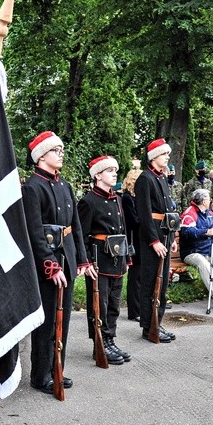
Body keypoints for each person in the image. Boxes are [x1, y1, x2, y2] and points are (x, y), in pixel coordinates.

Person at [22, 131, 93, 394]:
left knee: (63, 319)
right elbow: (34, 232)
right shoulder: (32, 187)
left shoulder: (64, 186)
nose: (60, 154)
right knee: (48, 319)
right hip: (48, 263)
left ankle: (57, 368)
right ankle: (41, 375)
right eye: (56, 151)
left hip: (68, 256)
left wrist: (82, 260)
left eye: (62, 150)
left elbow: (75, 226)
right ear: (41, 155)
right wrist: (50, 265)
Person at [78, 156, 131, 365]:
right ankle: (99, 344)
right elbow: (81, 235)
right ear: (98, 175)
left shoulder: (117, 199)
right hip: (99, 261)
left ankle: (109, 339)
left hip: (117, 259)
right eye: (109, 170)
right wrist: (86, 262)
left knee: (114, 304)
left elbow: (123, 230)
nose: (114, 173)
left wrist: (127, 256)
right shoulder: (88, 201)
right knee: (99, 304)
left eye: (115, 170)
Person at [135, 138, 178, 343]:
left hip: (165, 236)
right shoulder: (145, 179)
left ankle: (157, 321)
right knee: (151, 282)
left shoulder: (161, 178)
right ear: (154, 157)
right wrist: (154, 241)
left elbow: (168, 211)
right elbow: (144, 214)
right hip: (153, 238)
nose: (167, 157)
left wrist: (171, 236)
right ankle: (148, 325)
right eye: (164, 154)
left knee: (162, 284)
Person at [121, 168, 143, 321]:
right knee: (135, 277)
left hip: (140, 240)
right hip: (133, 241)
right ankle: (134, 311)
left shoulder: (136, 198)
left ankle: (141, 306)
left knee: (141, 276)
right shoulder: (127, 198)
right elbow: (133, 221)